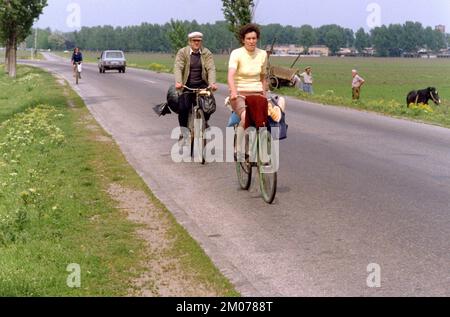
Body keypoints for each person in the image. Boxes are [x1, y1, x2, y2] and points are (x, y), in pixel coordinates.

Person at [227, 24, 281, 159]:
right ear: (243, 40)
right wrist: (233, 92)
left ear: (257, 39)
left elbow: (263, 77)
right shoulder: (236, 53)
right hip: (240, 92)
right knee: (246, 117)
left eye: (254, 38)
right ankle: (237, 147)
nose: (251, 41)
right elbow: (230, 76)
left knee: (263, 119)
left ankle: (257, 149)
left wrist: (264, 94)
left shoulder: (262, 54)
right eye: (248, 38)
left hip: (256, 92)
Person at [174, 31, 217, 139]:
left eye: (199, 41)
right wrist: (179, 82)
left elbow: (211, 68)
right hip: (187, 85)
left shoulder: (206, 52)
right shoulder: (183, 52)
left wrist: (212, 83)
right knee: (183, 109)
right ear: (190, 42)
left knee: (209, 106)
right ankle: (183, 131)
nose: (197, 43)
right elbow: (178, 67)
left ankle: (204, 122)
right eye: (194, 41)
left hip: (202, 85)